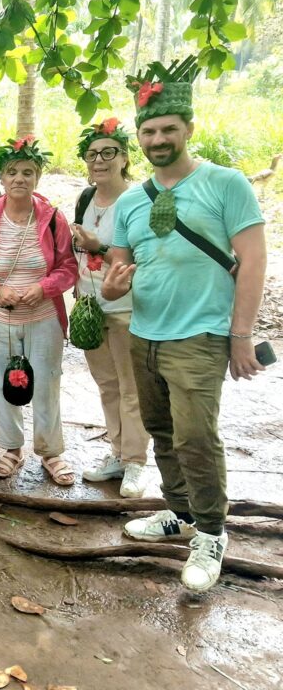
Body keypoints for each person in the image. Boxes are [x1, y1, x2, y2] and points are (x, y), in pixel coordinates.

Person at [103, 58, 266, 593]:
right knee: (162, 431)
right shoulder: (130, 200)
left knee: (197, 435)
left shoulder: (226, 184)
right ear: (140, 138)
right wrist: (111, 288)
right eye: (149, 131)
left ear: (189, 129)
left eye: (169, 129)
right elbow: (117, 268)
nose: (159, 139)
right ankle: (181, 513)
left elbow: (254, 261)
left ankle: (213, 532)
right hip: (145, 333)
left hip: (200, 334)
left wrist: (240, 336)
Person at [0, 136, 77, 486]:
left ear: (38, 176)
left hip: (44, 319)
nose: (20, 179)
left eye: (28, 172)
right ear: (2, 177)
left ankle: (51, 452)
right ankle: (10, 449)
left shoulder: (54, 219)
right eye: (12, 172)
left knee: (46, 385)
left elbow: (68, 266)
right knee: (6, 385)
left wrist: (43, 288)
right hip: (2, 319)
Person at [70, 118, 150, 498]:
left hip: (125, 307)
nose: (99, 160)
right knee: (106, 385)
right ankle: (117, 453)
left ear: (124, 157)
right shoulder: (86, 198)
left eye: (108, 153)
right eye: (92, 154)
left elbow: (141, 255)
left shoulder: (136, 201)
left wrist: (96, 246)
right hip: (90, 305)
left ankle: (136, 461)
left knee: (131, 386)